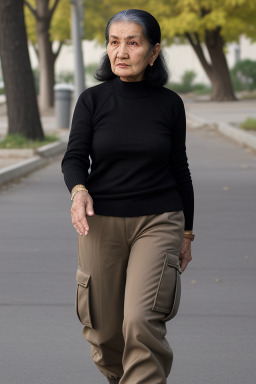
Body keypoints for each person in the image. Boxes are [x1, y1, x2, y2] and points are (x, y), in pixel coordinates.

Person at [61, 8, 195, 384]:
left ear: (153, 52)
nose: (120, 52)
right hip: (100, 222)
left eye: (133, 43)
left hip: (159, 219)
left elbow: (180, 170)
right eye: (113, 42)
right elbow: (74, 157)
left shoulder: (170, 105)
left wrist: (187, 233)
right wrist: (79, 191)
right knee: (103, 331)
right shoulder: (92, 100)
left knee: (140, 320)